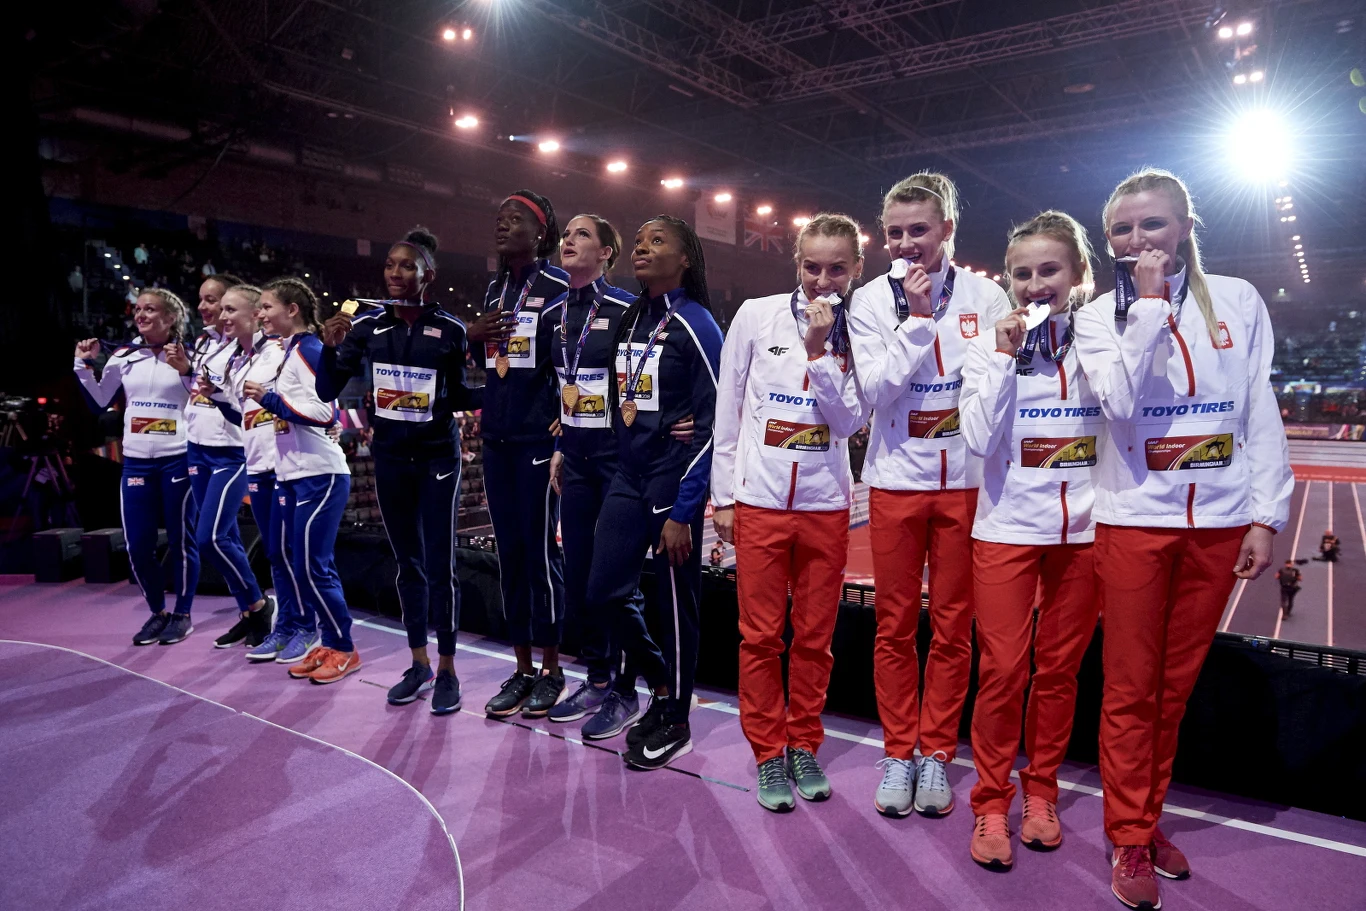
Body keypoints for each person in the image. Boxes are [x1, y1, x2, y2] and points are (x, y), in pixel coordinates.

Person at [1074, 168, 1292, 910]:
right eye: (1124, 230)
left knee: (1173, 689)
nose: (1139, 241)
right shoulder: (1100, 316)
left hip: (1220, 519)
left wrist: (1267, 514)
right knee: (1132, 687)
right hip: (1137, 518)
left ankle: (1145, 813)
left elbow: (1256, 408)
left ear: (1186, 227)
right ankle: (1128, 831)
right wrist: (1151, 311)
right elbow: (1124, 409)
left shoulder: (1239, 300)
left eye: (1153, 225)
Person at [847, 172, 1012, 818]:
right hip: (895, 482)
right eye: (895, 232)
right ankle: (897, 750)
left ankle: (936, 752)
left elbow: (996, 388)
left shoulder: (987, 295)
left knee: (952, 628)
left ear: (947, 228)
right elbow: (875, 394)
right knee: (893, 627)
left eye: (920, 229)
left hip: (967, 485)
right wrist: (916, 323)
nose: (908, 243)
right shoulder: (867, 301)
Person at [959, 211, 1103, 870]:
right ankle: (991, 798)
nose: (1035, 284)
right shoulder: (987, 343)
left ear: (1077, 275)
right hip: (1009, 527)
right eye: (1023, 272)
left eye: (1050, 270)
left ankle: (1040, 790)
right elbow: (977, 439)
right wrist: (1003, 360)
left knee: (1059, 673)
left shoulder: (1105, 339)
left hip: (1085, 533)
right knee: (1004, 670)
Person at [711, 213, 867, 811]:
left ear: (855, 272)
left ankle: (804, 741)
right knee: (759, 638)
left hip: (827, 506)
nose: (821, 280)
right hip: (761, 502)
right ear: (795, 264)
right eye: (811, 266)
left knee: (815, 639)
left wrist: (820, 351)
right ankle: (768, 753)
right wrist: (724, 495)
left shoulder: (862, 331)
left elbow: (850, 422)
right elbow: (729, 409)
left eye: (835, 269)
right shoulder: (755, 314)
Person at [316, 227, 474, 715]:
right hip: (389, 458)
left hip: (437, 458)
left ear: (429, 274)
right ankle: (419, 663)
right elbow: (326, 390)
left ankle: (448, 668)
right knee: (408, 564)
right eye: (390, 265)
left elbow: (463, 396)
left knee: (440, 564)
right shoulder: (366, 327)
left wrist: (515, 403)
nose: (396, 274)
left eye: (408, 266)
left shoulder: (450, 329)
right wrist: (328, 345)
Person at [587, 215, 723, 770]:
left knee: (674, 608)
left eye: (657, 241)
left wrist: (685, 511)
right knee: (601, 591)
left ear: (686, 257)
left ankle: (678, 717)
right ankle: (662, 682)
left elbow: (714, 423)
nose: (642, 249)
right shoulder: (631, 318)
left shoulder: (698, 324)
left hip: (672, 481)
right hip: (628, 474)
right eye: (638, 242)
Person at [543, 214, 646, 737]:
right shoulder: (555, 314)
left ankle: (628, 691)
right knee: (582, 577)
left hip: (618, 464)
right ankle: (598, 678)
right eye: (568, 234)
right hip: (577, 462)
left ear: (607, 252)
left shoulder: (629, 311)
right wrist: (561, 445)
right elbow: (563, 385)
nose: (569, 240)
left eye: (583, 235)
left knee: (616, 582)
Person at [477, 191, 573, 718]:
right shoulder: (494, 289)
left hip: (538, 441)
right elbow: (492, 360)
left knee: (540, 557)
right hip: (496, 440)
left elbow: (573, 364)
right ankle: (521, 668)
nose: (502, 225)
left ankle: (553, 669)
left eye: (514, 219)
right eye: (499, 217)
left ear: (540, 233)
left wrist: (562, 433)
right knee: (508, 557)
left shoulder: (558, 287)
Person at [248, 277, 360, 685]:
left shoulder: (310, 347)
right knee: (302, 564)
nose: (260, 314)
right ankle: (329, 642)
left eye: (265, 306)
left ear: (292, 309)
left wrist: (270, 399)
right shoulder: (288, 351)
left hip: (321, 474)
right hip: (294, 474)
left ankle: (344, 647)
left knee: (314, 566)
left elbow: (326, 412)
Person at [74, 289, 201, 645]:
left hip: (178, 457)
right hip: (136, 464)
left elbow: (206, 400)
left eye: (151, 309)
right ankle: (157, 612)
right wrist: (82, 366)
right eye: (138, 309)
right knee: (138, 543)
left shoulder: (188, 355)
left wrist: (188, 372)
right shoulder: (124, 356)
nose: (141, 314)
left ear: (171, 317)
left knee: (180, 541)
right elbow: (100, 402)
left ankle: (183, 613)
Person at [165, 274, 275, 646]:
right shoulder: (204, 346)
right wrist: (185, 372)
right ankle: (249, 611)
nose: (206, 308)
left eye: (217, 302)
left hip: (232, 452)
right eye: (206, 301)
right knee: (223, 535)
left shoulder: (255, 351)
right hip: (197, 448)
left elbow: (239, 405)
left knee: (209, 537)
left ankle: (259, 606)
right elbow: (198, 395)